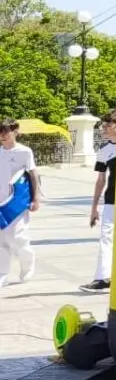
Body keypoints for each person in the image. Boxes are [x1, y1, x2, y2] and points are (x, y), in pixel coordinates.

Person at [81, 110, 116, 292]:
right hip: (112, 201)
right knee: (107, 237)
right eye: (103, 125)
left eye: (107, 125)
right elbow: (101, 180)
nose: (103, 129)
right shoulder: (104, 151)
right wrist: (94, 208)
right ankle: (102, 278)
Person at [0, 118, 40, 288]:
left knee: (18, 236)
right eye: (0, 133)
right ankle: (3, 272)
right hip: (1, 201)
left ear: (15, 131)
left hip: (17, 202)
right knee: (2, 239)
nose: (2, 136)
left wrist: (35, 198)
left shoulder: (25, 152)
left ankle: (28, 266)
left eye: (6, 133)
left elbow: (33, 175)